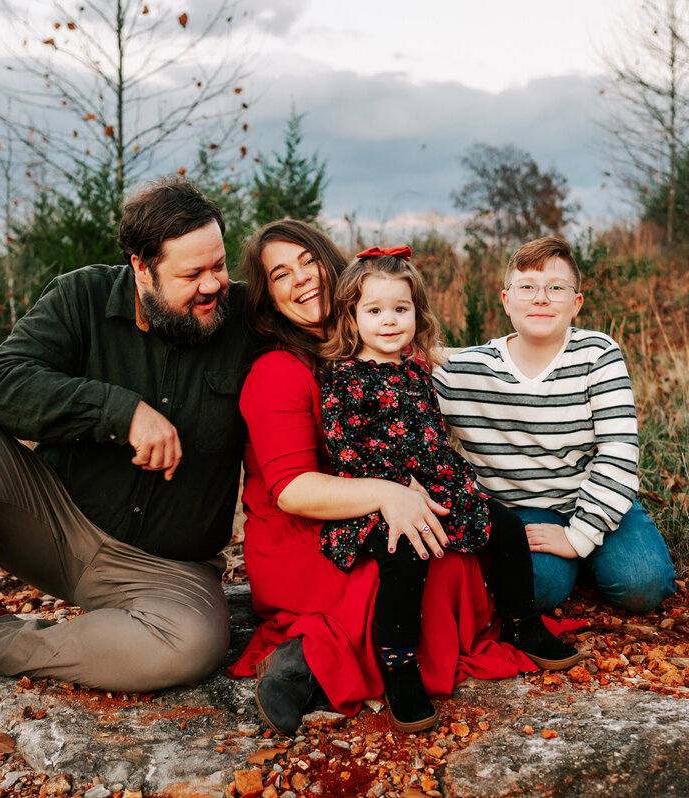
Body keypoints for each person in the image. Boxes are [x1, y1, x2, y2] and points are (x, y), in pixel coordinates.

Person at [0, 177, 258, 779]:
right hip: (56, 524)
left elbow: (337, 333)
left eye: (219, 265)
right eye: (192, 274)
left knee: (195, 646)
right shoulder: (82, 298)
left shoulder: (247, 317)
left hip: (168, 572)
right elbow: (0, 384)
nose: (212, 285)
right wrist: (120, 413)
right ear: (142, 270)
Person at [227, 220, 585, 737]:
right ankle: (305, 665)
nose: (302, 279)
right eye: (281, 274)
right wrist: (391, 493)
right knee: (411, 560)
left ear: (337, 270)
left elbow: (447, 370)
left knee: (449, 551)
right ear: (268, 297)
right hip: (302, 530)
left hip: (374, 497)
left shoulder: (382, 346)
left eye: (310, 262)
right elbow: (292, 491)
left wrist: (540, 353)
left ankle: (512, 627)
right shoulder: (280, 370)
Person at [316, 247, 580, 733]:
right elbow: (346, 451)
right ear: (352, 317)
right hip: (378, 500)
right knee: (404, 554)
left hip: (437, 487)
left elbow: (435, 434)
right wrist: (398, 486)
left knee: (504, 524)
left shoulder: (418, 370)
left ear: (417, 314)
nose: (390, 321)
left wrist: (446, 482)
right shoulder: (344, 379)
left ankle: (523, 624)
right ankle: (399, 667)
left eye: (401, 309)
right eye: (374, 311)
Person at [434, 235, 676, 615]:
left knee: (643, 586)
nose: (541, 298)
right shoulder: (467, 371)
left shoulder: (599, 354)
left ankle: (589, 552)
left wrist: (577, 536)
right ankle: (570, 566)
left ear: (576, 303)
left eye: (556, 288)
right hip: (523, 509)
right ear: (506, 300)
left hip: (593, 496)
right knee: (538, 591)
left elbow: (618, 454)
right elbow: (403, 357)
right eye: (527, 287)